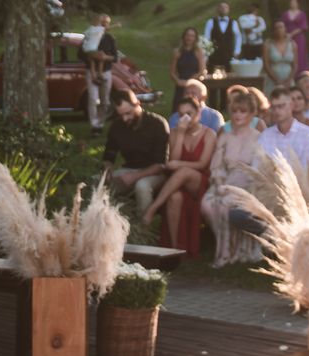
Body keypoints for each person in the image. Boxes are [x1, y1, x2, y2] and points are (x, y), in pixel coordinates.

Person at [201, 86, 268, 266]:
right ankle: (224, 245)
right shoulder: (225, 136)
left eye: (243, 111)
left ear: (252, 114)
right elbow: (217, 165)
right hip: (224, 182)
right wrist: (219, 182)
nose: (238, 115)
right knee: (207, 204)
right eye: (235, 111)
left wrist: (243, 187)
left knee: (225, 205)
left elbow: (258, 169)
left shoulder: (259, 138)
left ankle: (230, 252)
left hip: (247, 185)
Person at [143, 92, 216, 255]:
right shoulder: (175, 132)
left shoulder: (209, 134)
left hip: (200, 181)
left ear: (198, 114)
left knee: (184, 171)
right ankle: (175, 248)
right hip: (176, 183)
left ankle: (153, 208)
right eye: (181, 115)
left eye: (189, 114)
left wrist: (180, 165)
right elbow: (173, 162)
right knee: (174, 197)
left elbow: (203, 164)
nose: (185, 118)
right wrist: (181, 134)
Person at [102, 83, 171, 217]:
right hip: (129, 169)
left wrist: (134, 176)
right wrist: (108, 170)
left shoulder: (157, 124)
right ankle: (110, 220)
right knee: (99, 182)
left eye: (128, 113)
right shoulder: (117, 126)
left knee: (142, 186)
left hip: (155, 172)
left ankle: (144, 224)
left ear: (138, 104)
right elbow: (109, 155)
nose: (125, 118)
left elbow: (161, 164)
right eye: (121, 115)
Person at [257, 86, 309, 185]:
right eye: (273, 107)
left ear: (291, 105)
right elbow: (258, 168)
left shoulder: (308, 134)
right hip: (270, 188)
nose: (277, 111)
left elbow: (306, 172)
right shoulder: (265, 136)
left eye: (281, 106)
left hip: (300, 189)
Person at [82, 14, 120, 131]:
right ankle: (94, 125)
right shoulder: (90, 35)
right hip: (91, 72)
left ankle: (100, 123)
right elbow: (80, 54)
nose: (104, 25)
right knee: (93, 99)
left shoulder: (109, 39)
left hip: (106, 72)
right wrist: (91, 56)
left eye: (106, 23)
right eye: (102, 22)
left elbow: (115, 57)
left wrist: (105, 57)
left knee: (105, 101)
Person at [280, 0, 309, 75]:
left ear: (297, 3)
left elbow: (303, 27)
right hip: (286, 37)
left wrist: (291, 34)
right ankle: (288, 74)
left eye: (294, 2)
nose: (292, 4)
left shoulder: (302, 14)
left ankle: (301, 74)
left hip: (298, 37)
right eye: (291, 2)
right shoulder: (285, 14)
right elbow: (282, 25)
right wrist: (285, 34)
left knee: (300, 55)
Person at [262, 19, 297, 87]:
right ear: (273, 30)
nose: (279, 30)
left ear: (285, 29)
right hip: (272, 80)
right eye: (276, 28)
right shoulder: (268, 44)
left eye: (281, 27)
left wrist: (289, 80)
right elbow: (266, 65)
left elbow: (295, 64)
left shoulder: (292, 44)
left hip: (288, 79)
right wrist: (276, 80)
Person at [202, 1, 238, 66]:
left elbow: (238, 37)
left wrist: (237, 51)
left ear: (229, 10)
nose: (223, 9)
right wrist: (206, 54)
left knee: (229, 71)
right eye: (221, 7)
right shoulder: (210, 22)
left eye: (226, 7)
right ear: (217, 9)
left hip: (229, 53)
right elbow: (206, 38)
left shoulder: (234, 22)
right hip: (214, 55)